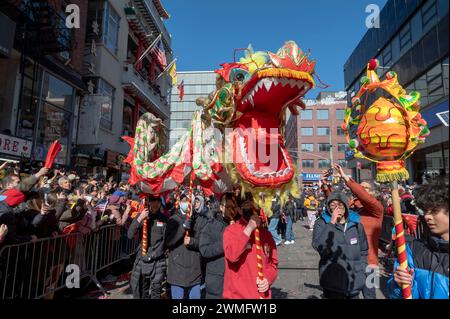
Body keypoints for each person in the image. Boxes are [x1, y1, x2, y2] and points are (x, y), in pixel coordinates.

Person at [321, 163, 384, 299]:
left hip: (370, 263)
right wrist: (326, 185)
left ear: (374, 193)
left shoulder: (377, 210)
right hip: (351, 261)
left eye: (365, 188)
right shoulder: (353, 209)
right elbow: (335, 203)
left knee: (370, 295)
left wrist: (346, 178)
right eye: (361, 187)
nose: (361, 189)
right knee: (349, 294)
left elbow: (365, 197)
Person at [387, 180, 448, 299]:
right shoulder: (413, 249)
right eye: (425, 211)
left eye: (434, 211)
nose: (427, 216)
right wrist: (398, 286)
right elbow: (395, 295)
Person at [312, 191, 369, 299]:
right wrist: (332, 223)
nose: (337, 208)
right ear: (328, 207)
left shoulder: (356, 224)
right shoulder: (322, 223)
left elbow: (363, 250)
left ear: (346, 206)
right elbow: (319, 246)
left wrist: (362, 269)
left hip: (354, 281)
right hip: (333, 283)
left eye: (340, 205)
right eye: (333, 205)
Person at [223, 195, 278, 299]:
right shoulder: (231, 231)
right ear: (239, 210)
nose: (253, 208)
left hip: (261, 296)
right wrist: (248, 229)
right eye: (247, 205)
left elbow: (273, 264)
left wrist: (268, 279)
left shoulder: (266, 234)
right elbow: (232, 256)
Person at [128, 195, 168, 299]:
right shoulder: (142, 216)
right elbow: (130, 234)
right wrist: (140, 218)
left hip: (157, 260)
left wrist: (154, 254)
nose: (155, 204)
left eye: (158, 202)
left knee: (156, 289)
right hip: (142, 257)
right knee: (142, 289)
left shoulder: (164, 219)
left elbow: (165, 241)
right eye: (153, 201)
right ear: (149, 202)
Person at [165, 194, 203, 299]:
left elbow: (203, 243)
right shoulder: (173, 219)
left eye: (189, 200)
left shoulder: (198, 220)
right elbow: (168, 241)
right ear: (180, 202)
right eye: (184, 200)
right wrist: (183, 228)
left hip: (194, 268)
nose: (186, 203)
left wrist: (193, 241)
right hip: (177, 269)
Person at [199, 193, 236, 299]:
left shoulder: (238, 226)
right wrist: (225, 243)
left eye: (233, 207)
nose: (231, 210)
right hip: (217, 281)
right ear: (221, 207)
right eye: (228, 207)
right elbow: (204, 250)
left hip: (234, 281)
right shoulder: (211, 225)